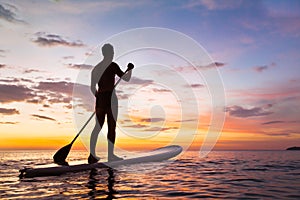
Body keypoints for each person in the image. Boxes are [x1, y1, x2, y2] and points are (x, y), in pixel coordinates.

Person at [89, 43, 134, 163]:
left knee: (98, 127)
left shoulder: (96, 68)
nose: (113, 54)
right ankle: (109, 156)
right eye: (112, 52)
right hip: (110, 99)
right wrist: (129, 70)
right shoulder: (112, 66)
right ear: (107, 53)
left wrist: (99, 97)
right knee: (111, 127)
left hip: (101, 99)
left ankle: (92, 155)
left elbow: (92, 87)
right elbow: (126, 78)